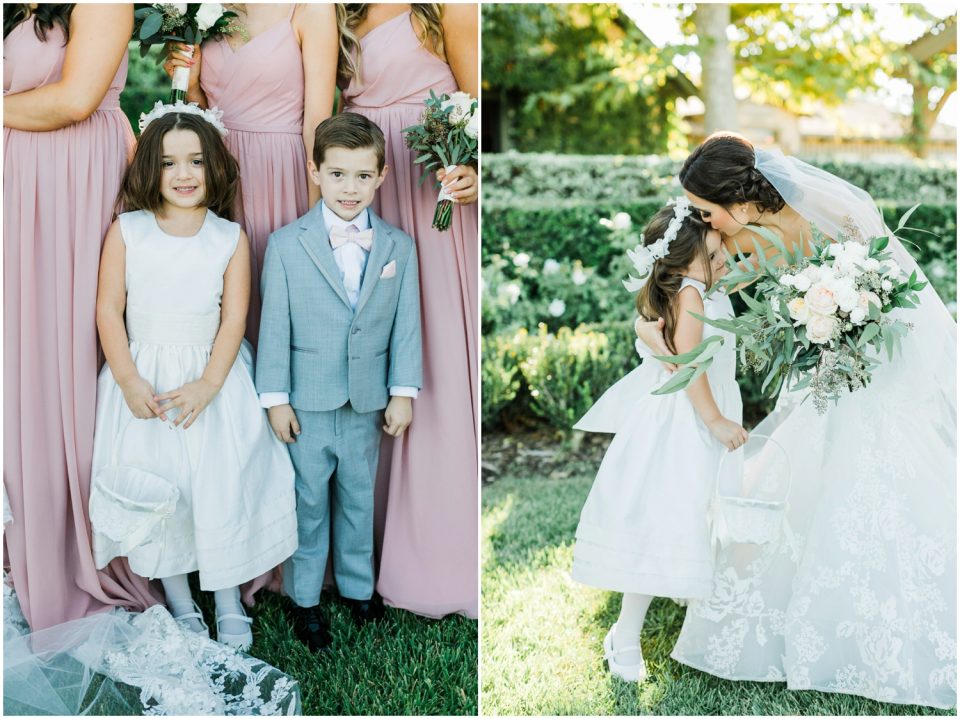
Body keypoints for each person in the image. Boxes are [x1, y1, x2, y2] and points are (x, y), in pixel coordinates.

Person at [637, 132, 956, 709]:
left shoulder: (833, 213)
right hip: (827, 364)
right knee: (808, 467)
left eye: (705, 209)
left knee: (872, 467)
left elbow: (883, 280)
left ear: (736, 197)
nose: (703, 221)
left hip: (869, 357)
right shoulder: (742, 235)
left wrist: (849, 316)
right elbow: (718, 292)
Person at [91, 104, 298, 650]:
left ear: (215, 168)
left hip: (213, 380)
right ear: (149, 172)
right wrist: (130, 381)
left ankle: (228, 597)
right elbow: (110, 310)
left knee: (219, 486)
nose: (184, 174)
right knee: (165, 491)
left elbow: (234, 318)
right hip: (146, 379)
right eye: (168, 163)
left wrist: (209, 384)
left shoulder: (228, 237)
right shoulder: (128, 230)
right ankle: (181, 600)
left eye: (196, 161)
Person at [3, 2, 160, 631]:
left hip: (70, 180)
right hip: (18, 181)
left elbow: (75, 98)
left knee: (61, 350)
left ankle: (74, 544)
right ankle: (21, 534)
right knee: (16, 354)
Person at [256, 112, 422, 652]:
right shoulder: (285, 244)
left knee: (357, 499)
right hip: (305, 402)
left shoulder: (398, 246)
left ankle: (357, 589)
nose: (350, 188)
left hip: (367, 402)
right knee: (307, 501)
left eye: (361, 175)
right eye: (337, 174)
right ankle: (305, 601)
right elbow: (274, 326)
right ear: (315, 172)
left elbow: (407, 325)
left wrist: (403, 392)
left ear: (381, 176)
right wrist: (275, 400)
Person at [339, 1, 478, 620]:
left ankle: (442, 545)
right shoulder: (336, 14)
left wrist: (475, 166)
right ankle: (366, 541)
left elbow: (479, 103)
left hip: (430, 193)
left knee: (439, 348)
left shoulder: (446, 9)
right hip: (368, 194)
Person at [572, 199, 748, 682]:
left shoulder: (702, 283)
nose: (724, 262)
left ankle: (692, 590)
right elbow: (690, 366)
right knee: (666, 520)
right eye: (714, 256)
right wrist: (715, 421)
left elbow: (736, 279)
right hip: (686, 421)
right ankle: (625, 633)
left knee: (694, 515)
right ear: (683, 264)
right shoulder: (691, 294)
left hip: (698, 412)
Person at [163, 2, 338, 347]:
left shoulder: (311, 9)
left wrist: (320, 216)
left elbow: (317, 124)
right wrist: (192, 86)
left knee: (280, 299)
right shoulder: (204, 10)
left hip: (283, 173)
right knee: (218, 304)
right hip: (216, 173)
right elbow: (201, 113)